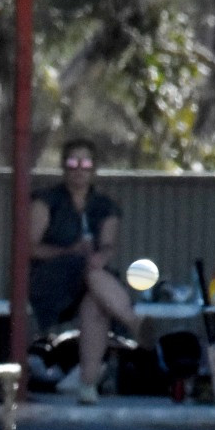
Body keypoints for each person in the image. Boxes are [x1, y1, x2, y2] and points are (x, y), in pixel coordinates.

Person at [28, 138, 139, 405]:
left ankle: (88, 384)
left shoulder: (105, 206)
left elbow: (109, 246)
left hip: (88, 280)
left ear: (94, 169)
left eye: (86, 162)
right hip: (50, 279)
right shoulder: (46, 201)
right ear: (64, 167)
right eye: (73, 162)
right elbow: (29, 248)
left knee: (95, 300)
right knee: (91, 274)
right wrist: (70, 252)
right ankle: (133, 322)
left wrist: (100, 256)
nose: (79, 168)